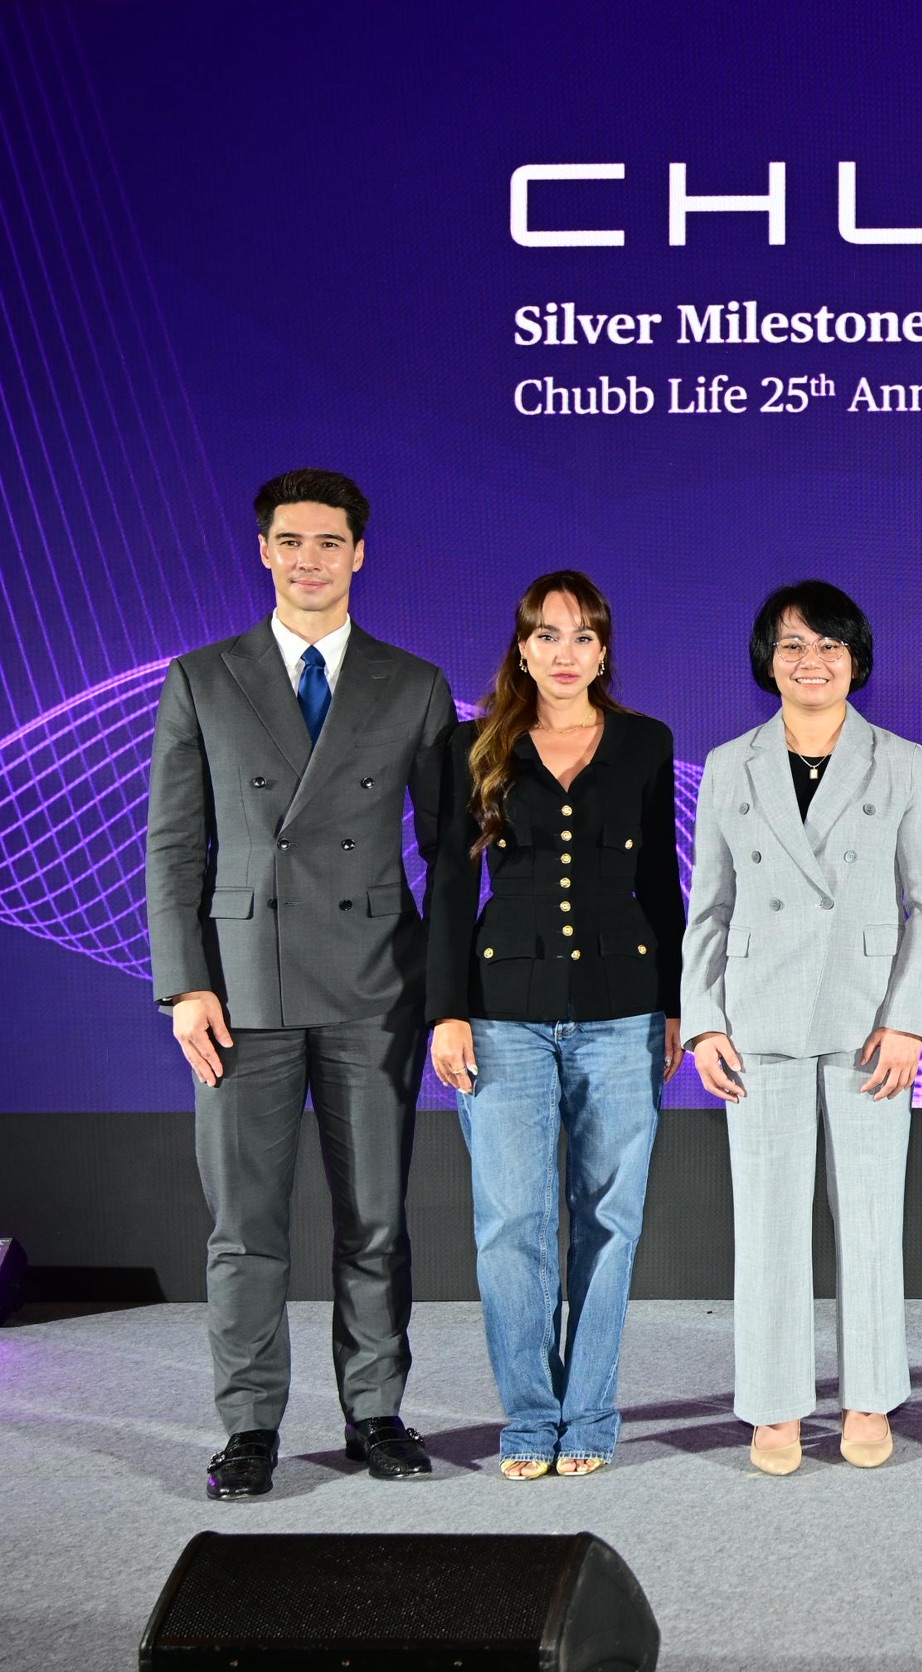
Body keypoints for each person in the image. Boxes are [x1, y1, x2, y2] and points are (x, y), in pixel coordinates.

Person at [145, 468, 456, 1500]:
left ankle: (375, 1411)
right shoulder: (202, 678)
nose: (309, 559)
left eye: (329, 541)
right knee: (246, 1228)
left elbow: (450, 856)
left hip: (374, 984)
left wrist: (444, 993)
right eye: (290, 540)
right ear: (262, 551)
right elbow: (173, 845)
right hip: (241, 991)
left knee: (375, 1220)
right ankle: (248, 1427)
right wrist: (185, 985)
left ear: (359, 553)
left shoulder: (413, 683)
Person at [682, 582, 922, 1475]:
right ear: (768, 661)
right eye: (793, 645)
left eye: (830, 645)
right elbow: (708, 906)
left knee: (871, 1218)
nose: (812, 661)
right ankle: (773, 1406)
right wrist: (703, 1022)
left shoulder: (900, 761)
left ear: (856, 660)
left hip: (870, 1018)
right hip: (757, 1016)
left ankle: (869, 1395)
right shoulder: (731, 764)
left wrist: (909, 1022)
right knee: (766, 1224)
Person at [424, 571, 684, 1479]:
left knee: (610, 1219)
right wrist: (445, 1010)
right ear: (523, 648)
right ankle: (531, 1419)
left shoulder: (646, 743)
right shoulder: (472, 746)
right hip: (503, 1016)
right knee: (513, 1224)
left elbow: (661, 884)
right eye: (546, 635)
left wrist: (677, 1005)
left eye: (582, 637)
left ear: (603, 651)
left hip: (623, 1012)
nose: (564, 653)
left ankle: (592, 1414)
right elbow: (450, 887)